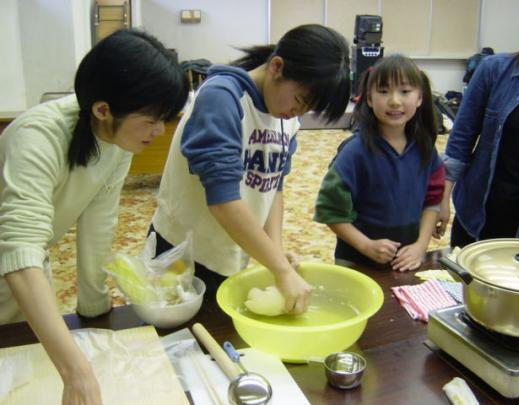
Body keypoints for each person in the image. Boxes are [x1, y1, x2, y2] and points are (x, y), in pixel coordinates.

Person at [0, 29, 188, 404]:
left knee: (23, 370)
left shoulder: (117, 141)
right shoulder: (37, 136)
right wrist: (77, 371)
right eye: (152, 119)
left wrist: (95, 313)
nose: (160, 130)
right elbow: (19, 248)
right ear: (103, 109)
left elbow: (98, 225)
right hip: (19, 263)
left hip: (27, 268)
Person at [149, 24, 350, 314]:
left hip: (230, 250)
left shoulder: (286, 118)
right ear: (277, 67)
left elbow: (273, 187)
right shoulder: (222, 98)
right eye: (300, 101)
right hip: (182, 253)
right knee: (180, 345)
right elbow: (223, 200)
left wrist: (276, 250)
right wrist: (280, 269)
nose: (299, 114)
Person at [314, 55, 444, 271]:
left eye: (405, 91)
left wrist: (421, 246)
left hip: (406, 260)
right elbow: (330, 211)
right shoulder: (354, 152)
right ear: (369, 99)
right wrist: (366, 245)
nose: (394, 100)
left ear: (420, 97)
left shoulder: (425, 149)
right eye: (383, 92)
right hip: (357, 260)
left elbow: (433, 201)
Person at [435, 0, 519, 246]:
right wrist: (442, 196)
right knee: (465, 281)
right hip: (480, 212)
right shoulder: (494, 70)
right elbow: (461, 139)